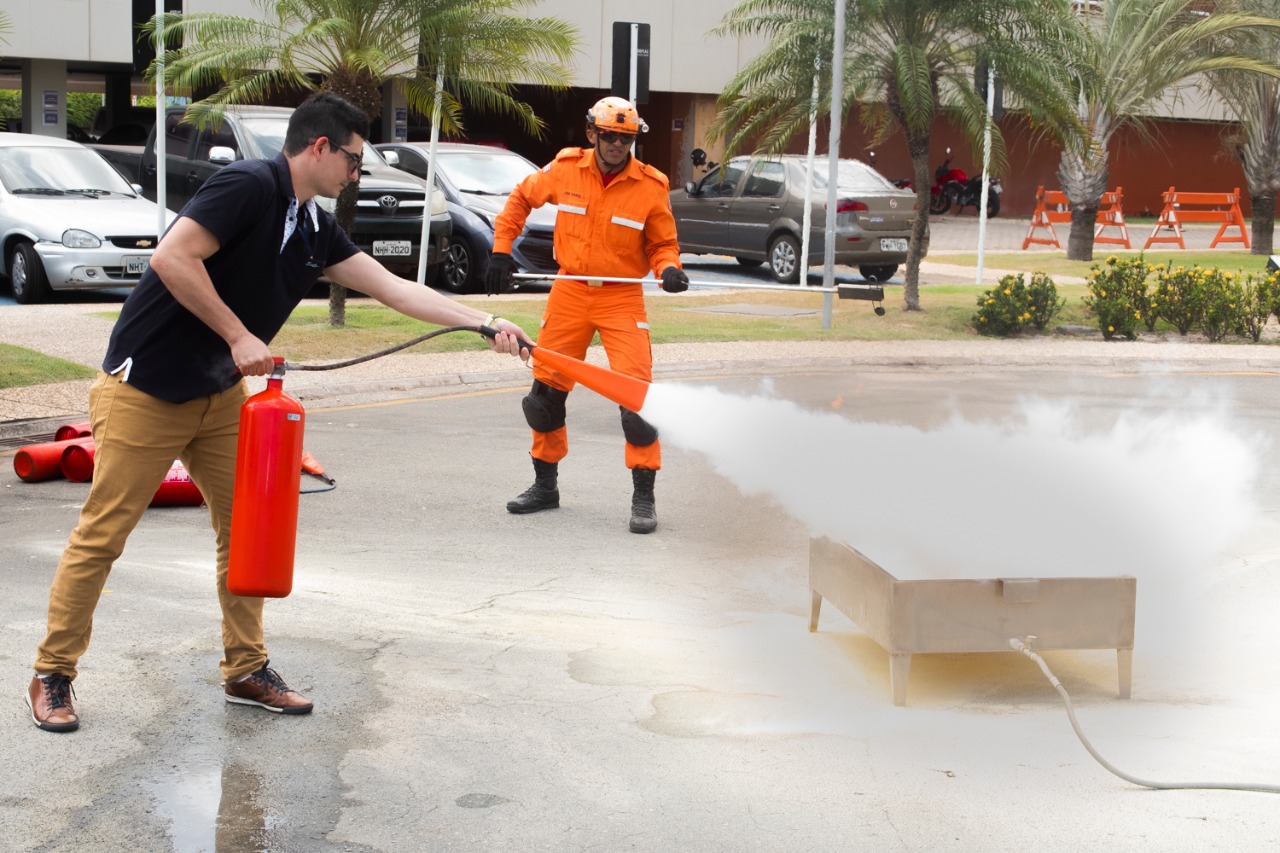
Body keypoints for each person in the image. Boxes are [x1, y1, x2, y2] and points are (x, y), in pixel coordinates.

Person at [24, 92, 531, 733]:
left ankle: (245, 669)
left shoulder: (315, 225)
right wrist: (239, 336)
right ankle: (53, 674)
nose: (356, 173)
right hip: (145, 389)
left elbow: (395, 287)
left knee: (245, 536)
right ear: (319, 148)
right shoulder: (247, 184)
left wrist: (484, 321)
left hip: (220, 399)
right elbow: (172, 257)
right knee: (103, 536)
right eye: (351, 160)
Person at [485, 96, 689, 535]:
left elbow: (662, 244)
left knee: (638, 403)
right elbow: (522, 199)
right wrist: (502, 250)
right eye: (610, 136)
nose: (618, 144)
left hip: (621, 296)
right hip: (571, 290)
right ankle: (545, 487)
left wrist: (669, 270)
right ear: (593, 133)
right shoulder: (565, 169)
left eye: (626, 138)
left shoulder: (650, 186)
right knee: (544, 397)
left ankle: (643, 497)